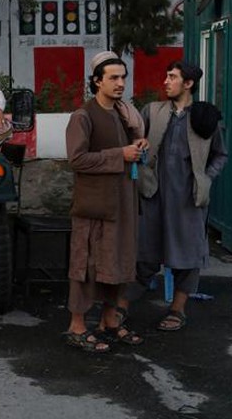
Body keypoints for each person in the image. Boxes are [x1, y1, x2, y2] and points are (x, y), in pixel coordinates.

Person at [118, 61, 228, 332]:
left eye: (172, 77)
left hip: (188, 200)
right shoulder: (152, 111)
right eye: (166, 76)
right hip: (152, 195)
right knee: (143, 254)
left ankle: (177, 311)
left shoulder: (205, 117)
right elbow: (132, 138)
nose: (166, 81)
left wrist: (206, 178)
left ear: (188, 84)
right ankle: (120, 306)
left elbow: (220, 154)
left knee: (188, 257)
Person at [63, 51, 148, 353]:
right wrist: (119, 155)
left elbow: (127, 148)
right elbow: (77, 160)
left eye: (123, 77)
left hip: (123, 202)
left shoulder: (123, 115)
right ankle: (77, 326)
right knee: (86, 264)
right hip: (95, 205)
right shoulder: (82, 117)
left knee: (118, 262)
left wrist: (137, 145)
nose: (120, 83)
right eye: (113, 77)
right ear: (97, 81)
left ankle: (110, 321)